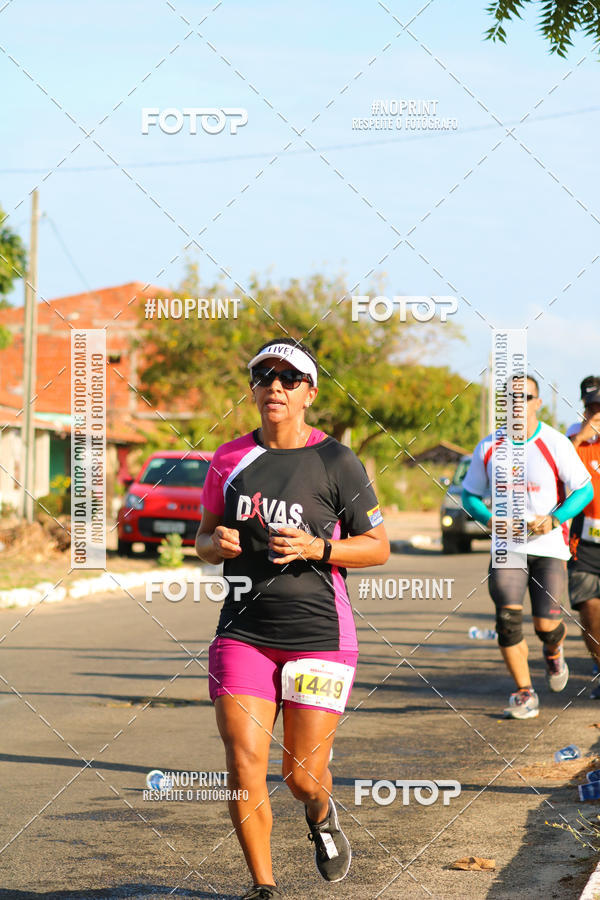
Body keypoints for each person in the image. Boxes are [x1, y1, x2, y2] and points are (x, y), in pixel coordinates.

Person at [195, 338, 390, 900]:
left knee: (301, 776)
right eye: (263, 377)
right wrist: (217, 544)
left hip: (320, 636)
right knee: (242, 762)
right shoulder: (229, 459)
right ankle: (264, 886)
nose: (273, 387)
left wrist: (316, 548)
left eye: (288, 378)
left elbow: (377, 547)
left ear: (309, 392)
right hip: (244, 633)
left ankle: (322, 813)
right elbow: (203, 537)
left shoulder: (336, 460)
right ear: (253, 389)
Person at [462, 375, 592, 719]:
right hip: (508, 546)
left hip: (548, 546)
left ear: (538, 402)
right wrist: (490, 520)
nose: (518, 403)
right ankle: (524, 692)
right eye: (511, 398)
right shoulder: (489, 447)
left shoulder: (554, 443)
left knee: (545, 626)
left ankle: (554, 652)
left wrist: (554, 519)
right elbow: (470, 495)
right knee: (507, 619)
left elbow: (584, 490)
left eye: (526, 397)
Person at [568, 384, 600, 695]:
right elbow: (554, 469)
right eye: (593, 409)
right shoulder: (575, 446)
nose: (598, 415)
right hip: (585, 543)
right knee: (589, 609)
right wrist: (580, 436)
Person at [566, 375, 600, 442]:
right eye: (591, 410)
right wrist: (579, 438)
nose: (595, 416)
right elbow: (562, 452)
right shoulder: (574, 430)